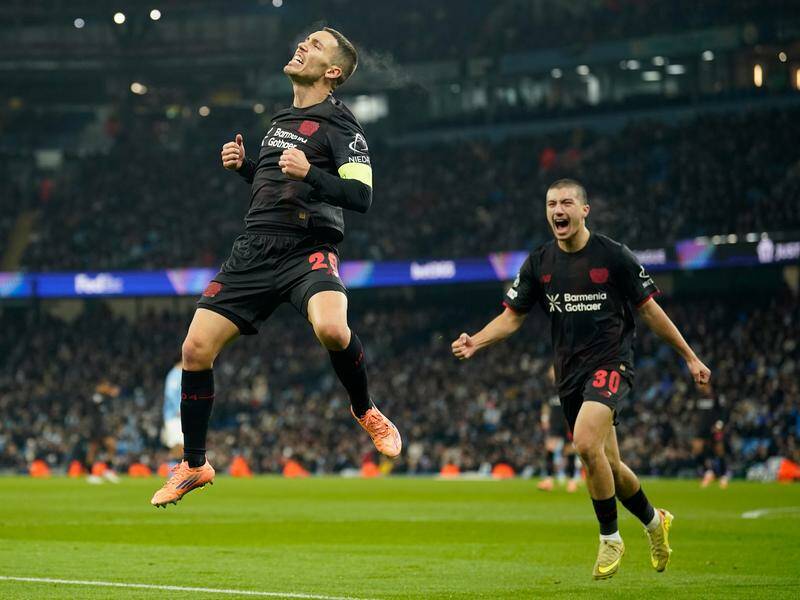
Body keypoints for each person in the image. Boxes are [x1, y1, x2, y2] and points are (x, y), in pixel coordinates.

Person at [151, 27, 401, 508]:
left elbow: (362, 196)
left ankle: (366, 409)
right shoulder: (280, 118)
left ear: (332, 72)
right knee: (195, 349)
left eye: (315, 45)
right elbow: (272, 185)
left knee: (331, 329)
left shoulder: (343, 126)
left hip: (307, 247)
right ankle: (196, 464)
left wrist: (313, 173)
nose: (302, 45)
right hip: (253, 249)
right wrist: (245, 167)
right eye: (303, 40)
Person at [451, 178, 711, 579]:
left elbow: (649, 310)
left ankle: (610, 537)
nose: (558, 210)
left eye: (567, 202)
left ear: (584, 210)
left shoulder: (614, 256)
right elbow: (512, 316)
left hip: (611, 364)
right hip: (569, 375)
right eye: (552, 203)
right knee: (609, 463)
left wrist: (690, 357)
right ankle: (655, 522)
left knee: (585, 443)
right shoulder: (540, 263)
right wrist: (477, 342)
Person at [538, 366, 581, 493]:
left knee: (569, 451)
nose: (551, 372)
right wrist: (544, 418)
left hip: (567, 422)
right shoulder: (549, 389)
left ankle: (572, 481)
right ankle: (549, 480)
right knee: (549, 448)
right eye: (551, 370)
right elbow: (545, 405)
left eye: (554, 370)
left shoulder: (569, 385)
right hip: (555, 423)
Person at [160, 360, 184, 463]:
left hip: (178, 415)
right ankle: (173, 471)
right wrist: (178, 408)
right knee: (176, 444)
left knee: (181, 444)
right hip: (174, 416)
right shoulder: (174, 374)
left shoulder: (180, 374)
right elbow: (170, 393)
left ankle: (178, 471)